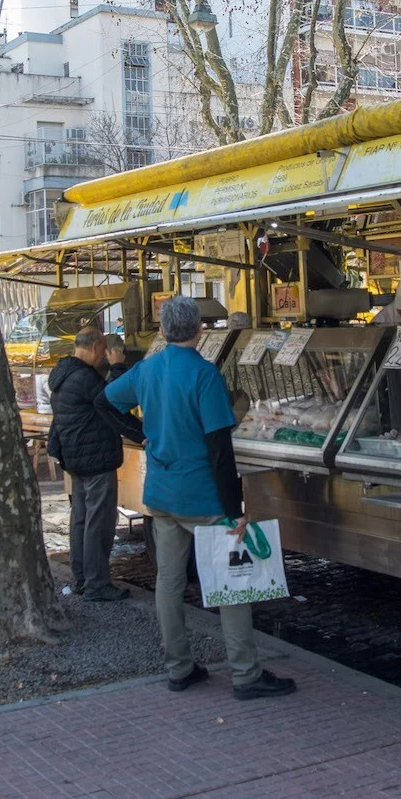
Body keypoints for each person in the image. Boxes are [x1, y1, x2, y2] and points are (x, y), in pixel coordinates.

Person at [100, 296, 296, 701]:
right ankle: (245, 674)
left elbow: (104, 401)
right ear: (201, 331)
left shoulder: (146, 369)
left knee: (168, 582)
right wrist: (234, 510)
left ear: (162, 331)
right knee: (231, 583)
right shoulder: (205, 375)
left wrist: (139, 434)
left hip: (162, 493)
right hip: (203, 497)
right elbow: (220, 448)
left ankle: (179, 668)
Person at [46, 326, 135, 602]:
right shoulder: (85, 377)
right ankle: (97, 583)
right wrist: (119, 368)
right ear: (97, 347)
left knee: (81, 520)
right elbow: (115, 401)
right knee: (100, 521)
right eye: (104, 353)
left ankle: (82, 578)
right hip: (96, 459)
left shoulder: (63, 374)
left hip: (75, 457)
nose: (104, 359)